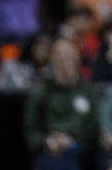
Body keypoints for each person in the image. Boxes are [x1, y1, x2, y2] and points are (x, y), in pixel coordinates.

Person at [23, 38, 98, 170]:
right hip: (49, 149)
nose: (63, 60)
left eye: (68, 55)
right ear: (51, 60)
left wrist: (71, 140)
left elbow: (94, 128)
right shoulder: (40, 92)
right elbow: (31, 133)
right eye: (58, 56)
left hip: (80, 148)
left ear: (77, 58)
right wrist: (48, 141)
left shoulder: (89, 91)